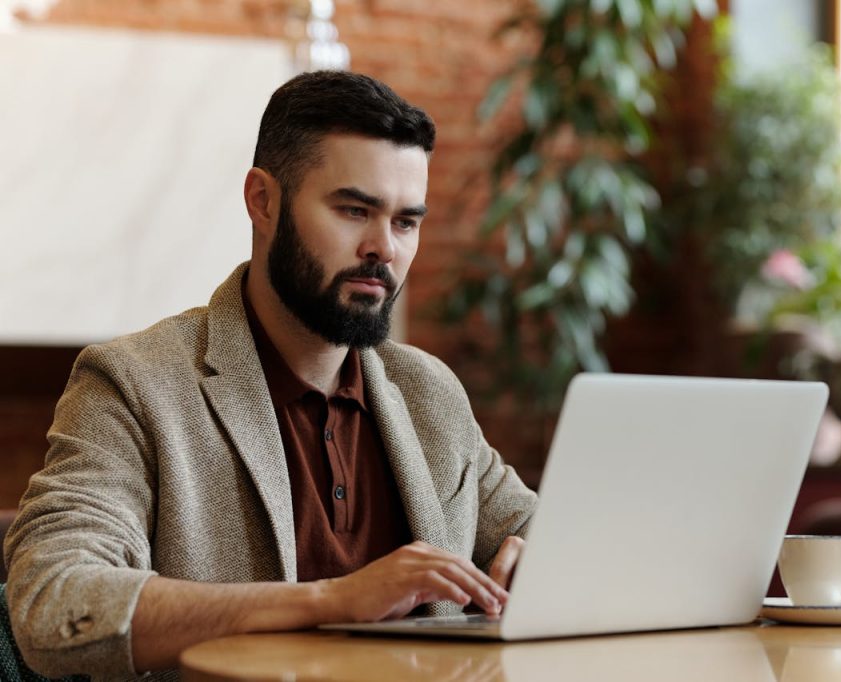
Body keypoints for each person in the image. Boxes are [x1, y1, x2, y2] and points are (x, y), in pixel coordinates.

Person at [3, 70, 537, 680]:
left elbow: (542, 531)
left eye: (405, 221)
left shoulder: (429, 392)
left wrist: (549, 557)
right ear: (263, 201)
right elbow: (53, 602)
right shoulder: (133, 384)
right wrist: (333, 601)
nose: (383, 248)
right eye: (354, 209)